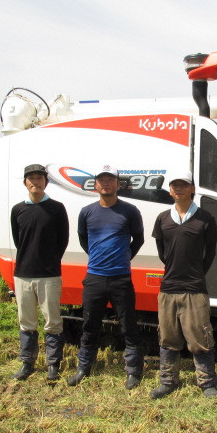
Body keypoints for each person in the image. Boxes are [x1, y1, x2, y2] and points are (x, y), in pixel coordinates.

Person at [68, 165, 145, 388]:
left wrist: (123, 258)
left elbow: (137, 240)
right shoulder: (87, 212)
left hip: (121, 278)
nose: (106, 184)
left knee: (128, 326)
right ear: (95, 185)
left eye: (110, 180)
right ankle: (83, 368)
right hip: (94, 278)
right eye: (101, 180)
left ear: (118, 184)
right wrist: (98, 258)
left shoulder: (130, 211)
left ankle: (133, 372)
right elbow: (84, 240)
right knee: (90, 325)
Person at [150, 170, 217, 399]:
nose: (178, 188)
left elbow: (210, 252)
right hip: (168, 287)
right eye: (174, 185)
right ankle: (168, 381)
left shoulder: (205, 218)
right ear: (170, 190)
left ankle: (207, 383)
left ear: (192, 189)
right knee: (168, 338)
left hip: (194, 288)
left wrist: (197, 273)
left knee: (200, 337)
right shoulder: (162, 218)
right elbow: (162, 252)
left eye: (183, 185)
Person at [10, 164, 69, 381]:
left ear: (46, 182)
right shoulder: (18, 210)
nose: (36, 182)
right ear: (25, 182)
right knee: (26, 322)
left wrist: (50, 261)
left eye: (40, 178)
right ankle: (27, 363)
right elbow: (19, 241)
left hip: (49, 275)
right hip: (23, 274)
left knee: (53, 321)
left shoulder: (57, 208)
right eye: (31, 178)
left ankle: (53, 364)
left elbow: (63, 241)